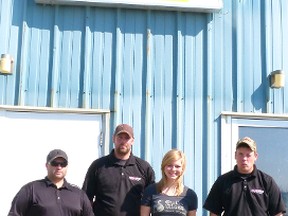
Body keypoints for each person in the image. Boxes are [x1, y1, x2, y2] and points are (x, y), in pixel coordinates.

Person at [82, 123, 155, 216]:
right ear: (113, 139)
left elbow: (151, 199)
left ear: (132, 141)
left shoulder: (144, 167)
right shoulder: (98, 166)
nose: (123, 141)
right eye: (120, 137)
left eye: (126, 138)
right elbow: (86, 198)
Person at [203, 136, 286, 216]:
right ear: (235, 155)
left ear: (255, 156)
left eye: (248, 155)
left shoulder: (267, 182)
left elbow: (277, 213)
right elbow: (214, 212)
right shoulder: (223, 181)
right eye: (241, 154)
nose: (244, 158)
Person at [8, 149, 94, 216]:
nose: (59, 167)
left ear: (67, 166)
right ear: (47, 165)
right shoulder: (31, 190)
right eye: (55, 163)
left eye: (63, 164)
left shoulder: (79, 195)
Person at [141, 149, 198, 216]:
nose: (173, 169)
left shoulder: (190, 195)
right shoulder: (150, 190)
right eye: (169, 165)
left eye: (177, 166)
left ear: (182, 169)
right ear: (163, 167)